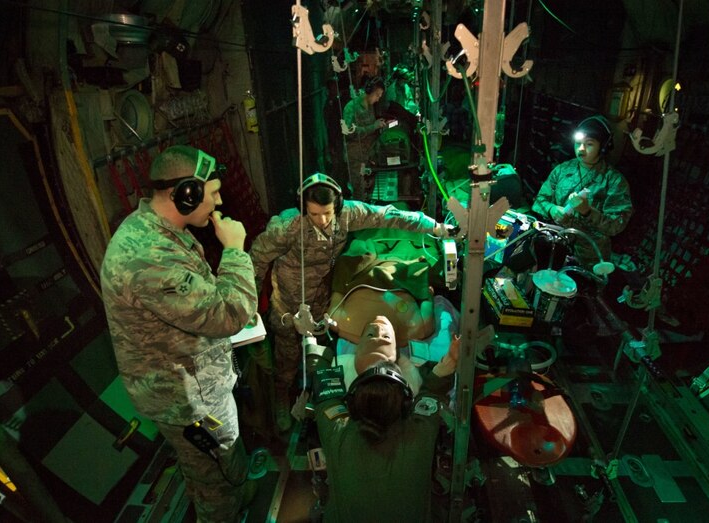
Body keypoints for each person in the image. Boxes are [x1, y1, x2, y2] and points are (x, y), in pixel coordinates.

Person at [101, 145, 258, 522]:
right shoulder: (148, 255)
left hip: (195, 380)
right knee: (211, 476)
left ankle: (240, 490)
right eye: (214, 191)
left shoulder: (159, 230)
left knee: (220, 460)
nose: (220, 200)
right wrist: (235, 250)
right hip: (188, 399)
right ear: (185, 194)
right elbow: (229, 313)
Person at [249, 173, 453, 432]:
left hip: (323, 298)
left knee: (321, 351)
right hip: (290, 302)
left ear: (338, 206)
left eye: (327, 213)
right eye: (314, 214)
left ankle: (315, 394)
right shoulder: (286, 229)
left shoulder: (347, 214)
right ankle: (281, 394)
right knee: (288, 354)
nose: (323, 221)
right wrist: (251, 305)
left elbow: (388, 215)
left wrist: (433, 227)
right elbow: (255, 259)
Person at [309, 323, 459, 522]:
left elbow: (325, 391)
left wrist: (317, 343)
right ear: (406, 405)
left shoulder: (338, 433)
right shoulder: (421, 433)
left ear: (352, 404)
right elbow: (431, 392)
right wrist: (452, 357)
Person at [531, 115, 633, 269]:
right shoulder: (562, 170)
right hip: (555, 247)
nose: (581, 149)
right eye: (578, 143)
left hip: (590, 258)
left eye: (589, 144)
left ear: (603, 147)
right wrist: (552, 209)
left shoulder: (614, 181)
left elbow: (616, 226)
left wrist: (588, 212)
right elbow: (539, 200)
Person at [342, 76, 387, 200]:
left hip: (365, 154)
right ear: (369, 91)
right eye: (377, 95)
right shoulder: (351, 107)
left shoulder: (369, 105)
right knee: (358, 191)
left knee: (366, 188)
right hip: (355, 156)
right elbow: (348, 132)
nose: (378, 99)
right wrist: (373, 126)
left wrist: (379, 125)